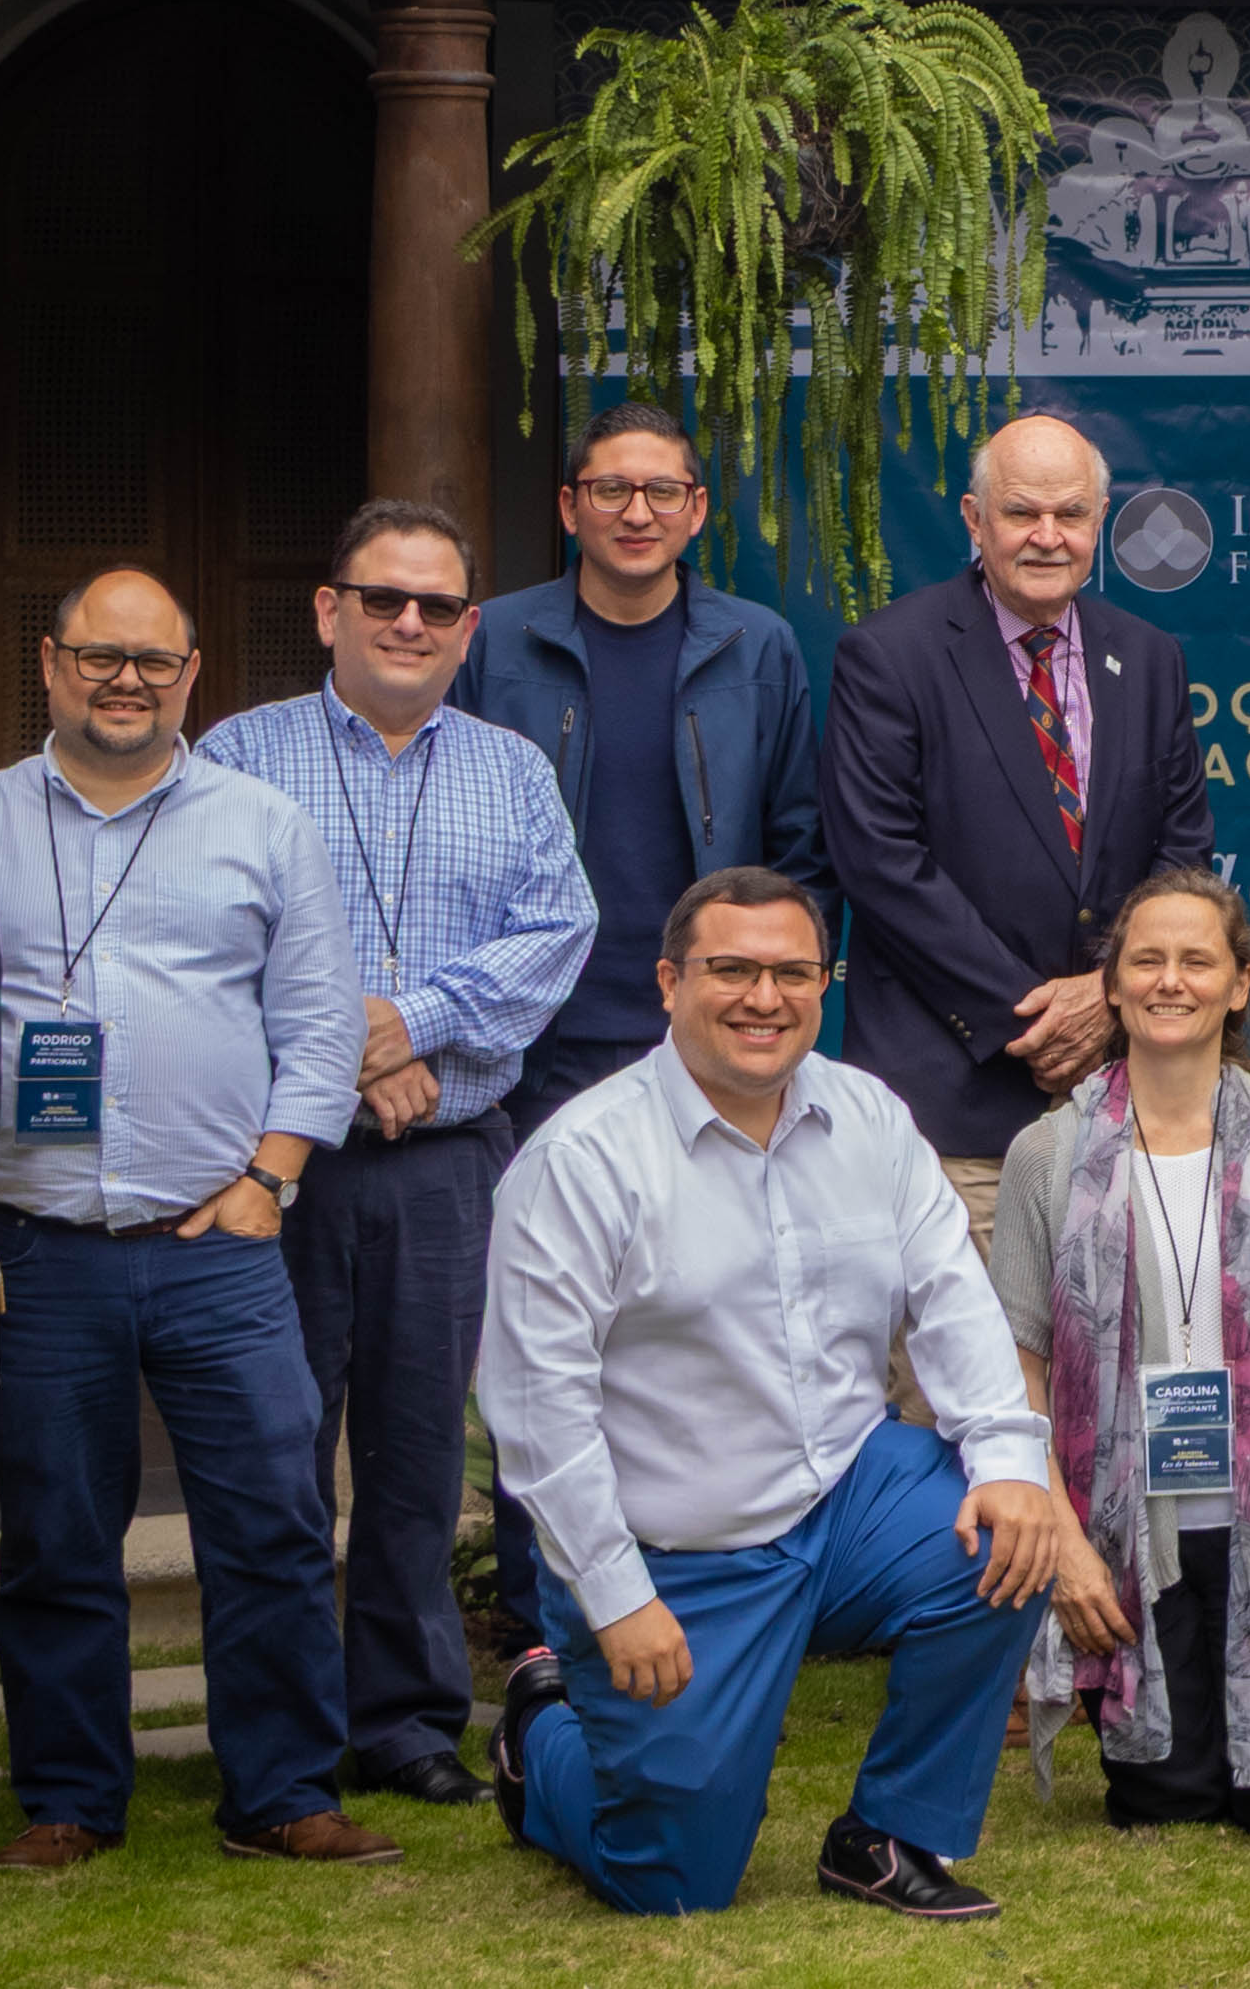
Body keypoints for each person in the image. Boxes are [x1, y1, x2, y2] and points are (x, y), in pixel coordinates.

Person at [481, 866, 1067, 1921]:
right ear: (668, 981)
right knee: (670, 1876)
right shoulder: (581, 1158)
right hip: (679, 1551)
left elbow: (953, 1298)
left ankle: (887, 1833)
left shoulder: (869, 1116)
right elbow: (538, 1411)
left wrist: (1013, 1461)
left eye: (793, 971)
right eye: (733, 969)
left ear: (823, 982)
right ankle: (540, 1736)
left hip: (845, 1497)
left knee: (1009, 1535)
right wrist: (615, 1595)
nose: (765, 996)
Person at [0, 567, 392, 1872]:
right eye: (98, 654)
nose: (124, 678)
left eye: (153, 658)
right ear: (49, 663)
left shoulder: (265, 825)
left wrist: (270, 1179)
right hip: (38, 1249)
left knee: (270, 1522)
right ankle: (71, 1795)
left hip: (223, 1246)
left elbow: (318, 1025)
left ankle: (280, 1790)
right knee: (55, 1534)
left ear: (193, 672)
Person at [196, 499, 596, 1809]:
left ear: (470, 628)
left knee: (421, 1454)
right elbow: (208, 943)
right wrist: (356, 1049)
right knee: (277, 1450)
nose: (409, 622)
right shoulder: (237, 758)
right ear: (329, 609)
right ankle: (281, 1725)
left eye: (436, 605)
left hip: (446, 1160)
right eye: (383, 598)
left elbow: (556, 931)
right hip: (278, 1158)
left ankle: (411, 1718)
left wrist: (408, 1021)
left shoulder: (512, 767)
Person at [450, 403, 829, 1648]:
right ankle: (536, 1603)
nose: (636, 512)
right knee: (542, 1326)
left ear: (696, 511)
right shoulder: (494, 638)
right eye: (611, 488)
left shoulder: (755, 645)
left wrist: (767, 1004)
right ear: (569, 506)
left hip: (701, 1044)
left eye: (663, 491)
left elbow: (796, 846)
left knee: (697, 1316)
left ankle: (700, 1581)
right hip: (533, 1041)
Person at [998, 868, 1250, 1840]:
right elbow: (1018, 1368)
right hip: (1130, 1540)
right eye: (1148, 959)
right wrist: (1065, 1544)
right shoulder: (1045, 1156)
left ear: (1239, 982)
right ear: (1114, 985)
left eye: (1196, 959)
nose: (1172, 980)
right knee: (1161, 1801)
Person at [823, 413, 1212, 1239]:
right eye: (1020, 512)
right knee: (952, 1372)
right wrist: (1031, 1017)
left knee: (1115, 1367)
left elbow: (1183, 858)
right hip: (951, 1120)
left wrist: (1108, 994)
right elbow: (880, 860)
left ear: (1098, 522)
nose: (1047, 536)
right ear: (973, 518)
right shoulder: (889, 654)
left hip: (1125, 1103)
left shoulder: (1148, 657)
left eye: (1070, 514)